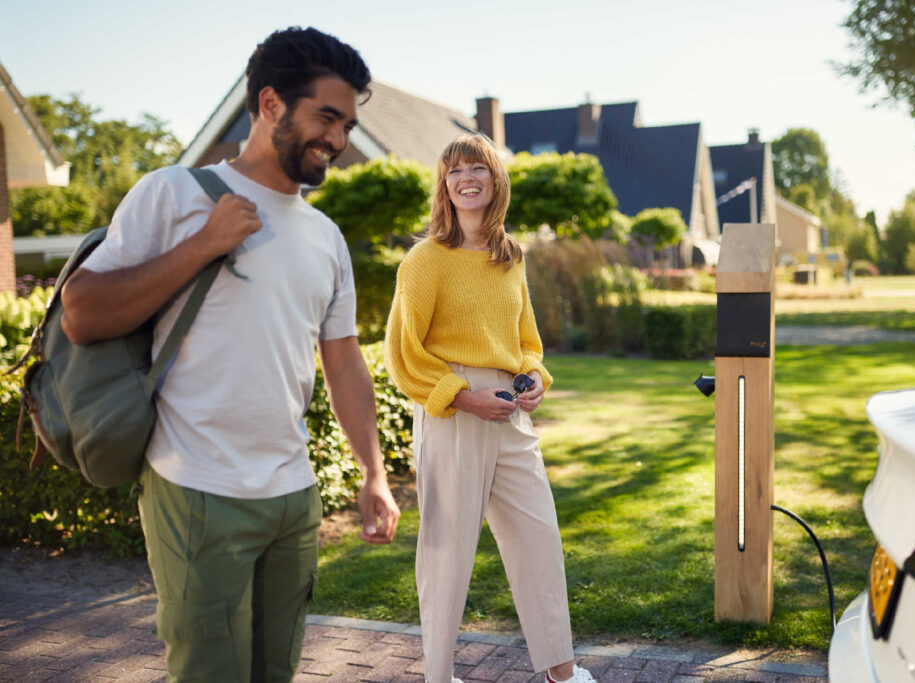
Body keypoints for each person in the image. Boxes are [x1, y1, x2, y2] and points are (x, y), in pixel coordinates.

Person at [60, 27, 400, 682]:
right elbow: (81, 312)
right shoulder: (173, 193)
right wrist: (202, 245)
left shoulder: (327, 237)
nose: (339, 138)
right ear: (271, 103)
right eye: (327, 116)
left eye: (348, 123)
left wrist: (373, 472)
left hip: (293, 497)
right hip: (197, 488)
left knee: (275, 672)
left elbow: (344, 361)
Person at [384, 133, 596, 683]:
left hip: (511, 409)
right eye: (454, 171)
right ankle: (438, 676)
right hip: (454, 408)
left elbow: (527, 339)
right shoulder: (425, 259)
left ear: (495, 179)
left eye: (476, 167)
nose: (465, 178)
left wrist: (534, 378)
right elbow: (404, 353)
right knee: (447, 551)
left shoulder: (511, 256)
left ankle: (562, 673)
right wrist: (463, 397)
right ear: (444, 185)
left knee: (539, 540)